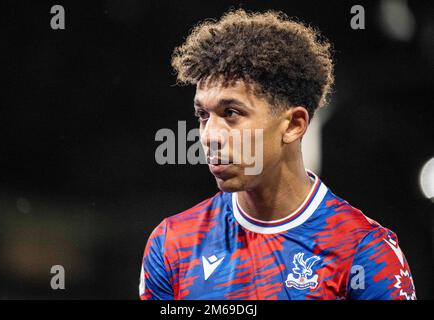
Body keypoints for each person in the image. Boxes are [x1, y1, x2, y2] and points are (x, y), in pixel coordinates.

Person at [139, 9, 416, 300]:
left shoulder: (365, 251)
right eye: (202, 115)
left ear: (294, 125)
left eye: (231, 113)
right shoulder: (172, 244)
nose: (209, 136)